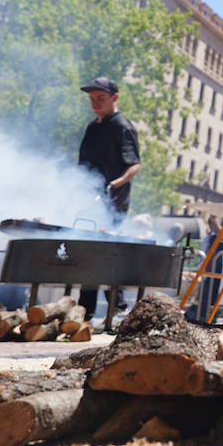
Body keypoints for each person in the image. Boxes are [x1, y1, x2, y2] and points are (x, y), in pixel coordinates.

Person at [75, 76, 141, 317]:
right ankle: (85, 311)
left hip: (113, 205)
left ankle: (119, 309)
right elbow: (82, 166)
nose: (95, 103)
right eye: (92, 99)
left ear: (114, 98)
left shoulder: (122, 126)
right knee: (88, 255)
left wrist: (116, 184)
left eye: (100, 98)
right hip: (90, 203)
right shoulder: (92, 128)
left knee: (108, 256)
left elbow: (135, 166)